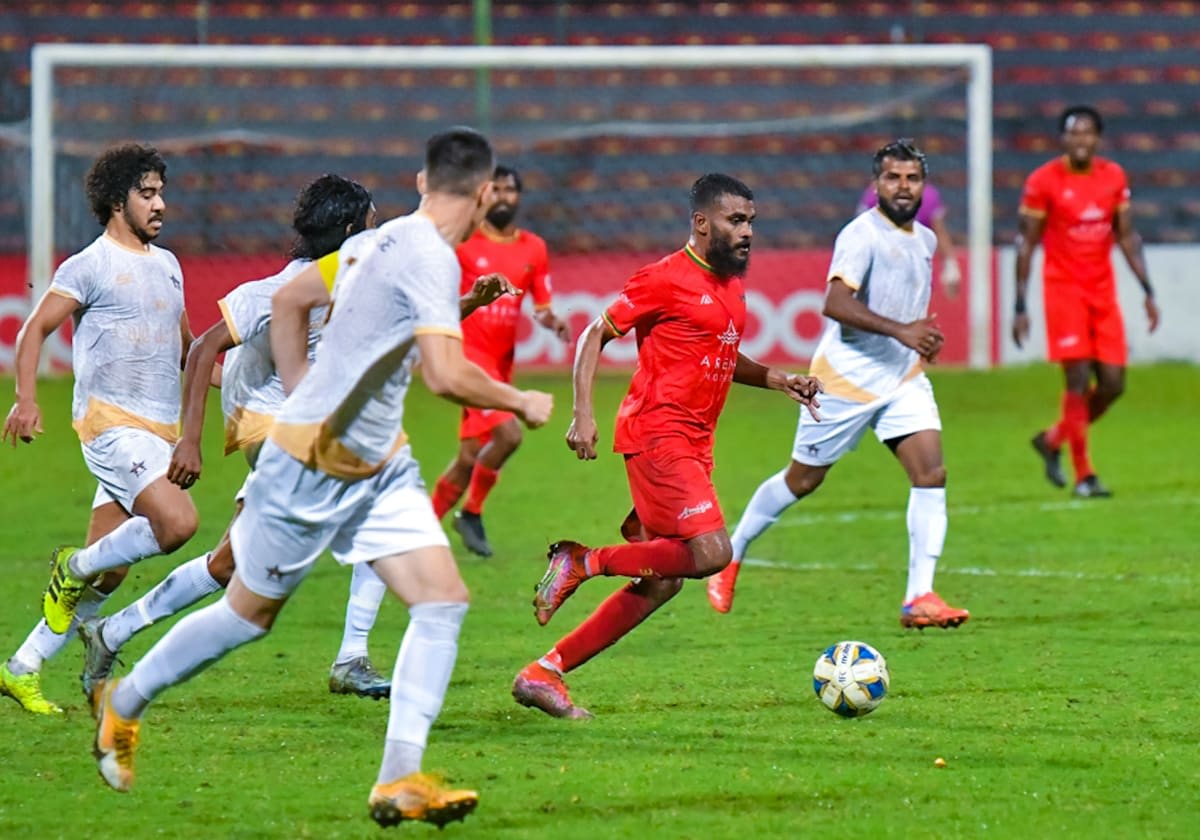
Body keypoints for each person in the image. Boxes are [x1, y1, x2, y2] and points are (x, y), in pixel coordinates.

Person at [90, 128, 553, 830]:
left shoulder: (379, 241)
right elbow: (443, 374)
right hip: (314, 459)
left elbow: (295, 300)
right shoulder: (427, 255)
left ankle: (399, 779)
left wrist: (305, 381)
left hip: (379, 461)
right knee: (247, 614)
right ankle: (124, 702)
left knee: (441, 601)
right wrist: (519, 400)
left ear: (422, 182)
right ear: (486, 192)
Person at [510, 173, 822, 719]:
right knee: (714, 554)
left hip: (695, 443)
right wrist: (583, 414)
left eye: (751, 221)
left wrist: (779, 379)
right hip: (659, 434)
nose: (747, 232)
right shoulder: (664, 278)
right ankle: (583, 560)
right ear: (701, 223)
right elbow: (593, 335)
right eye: (735, 220)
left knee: (665, 581)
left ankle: (543, 673)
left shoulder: (732, 285)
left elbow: (719, 354)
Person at [77, 174, 399, 703]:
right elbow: (203, 347)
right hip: (268, 429)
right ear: (348, 230)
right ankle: (351, 658)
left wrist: (471, 302)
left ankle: (112, 632)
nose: (377, 229)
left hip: (298, 432)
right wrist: (190, 441)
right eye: (370, 220)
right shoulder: (279, 290)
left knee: (228, 565)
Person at [705, 139, 971, 630]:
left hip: (902, 378)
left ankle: (919, 597)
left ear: (924, 186)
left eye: (912, 178)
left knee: (931, 474)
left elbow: (903, 306)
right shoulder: (860, 234)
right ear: (877, 184)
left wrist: (920, 338)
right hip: (845, 380)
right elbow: (835, 303)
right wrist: (903, 331)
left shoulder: (926, 240)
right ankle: (732, 553)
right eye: (892, 177)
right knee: (802, 480)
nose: (903, 187)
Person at [1, 144, 199, 715]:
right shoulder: (89, 265)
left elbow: (188, 351)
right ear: (117, 201)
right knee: (178, 523)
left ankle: (21, 667)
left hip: (157, 431)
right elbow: (33, 331)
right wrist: (26, 399)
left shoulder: (169, 265)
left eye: (161, 192)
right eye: (147, 193)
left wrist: (239, 379)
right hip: (110, 426)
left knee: (109, 573)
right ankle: (72, 567)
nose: (160, 204)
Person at [1013, 105, 1160, 498]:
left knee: (1113, 384)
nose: (1081, 140)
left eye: (1087, 133)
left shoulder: (1113, 176)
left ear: (1098, 138)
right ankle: (1084, 476)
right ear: (1063, 139)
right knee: (1077, 380)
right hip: (1064, 291)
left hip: (1102, 292)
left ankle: (1052, 439)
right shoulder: (1043, 181)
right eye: (1073, 133)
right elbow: (1026, 243)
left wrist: (1148, 290)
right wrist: (1019, 305)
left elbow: (1126, 236)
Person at [431, 164, 570, 557]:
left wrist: (553, 321)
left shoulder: (534, 248)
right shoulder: (463, 242)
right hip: (465, 357)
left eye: (510, 189)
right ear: (484, 195)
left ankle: (421, 530)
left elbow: (541, 307)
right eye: (497, 189)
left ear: (519, 197)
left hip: (500, 363)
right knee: (509, 434)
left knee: (468, 459)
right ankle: (472, 512)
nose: (503, 196)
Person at [858, 178, 961, 297]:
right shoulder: (876, 193)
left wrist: (950, 265)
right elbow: (862, 231)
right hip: (882, 271)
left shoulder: (927, 195)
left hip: (915, 272)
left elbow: (939, 231)